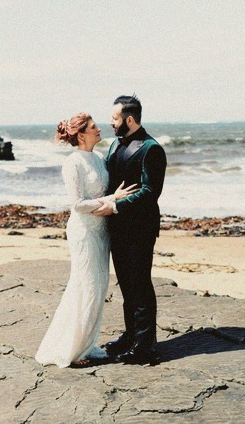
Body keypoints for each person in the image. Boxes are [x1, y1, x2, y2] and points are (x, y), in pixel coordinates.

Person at [35, 113, 138, 368]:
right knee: (85, 285)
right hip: (83, 232)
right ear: (81, 134)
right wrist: (111, 199)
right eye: (94, 127)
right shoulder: (73, 163)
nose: (99, 129)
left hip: (102, 230)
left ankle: (87, 343)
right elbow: (77, 204)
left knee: (98, 287)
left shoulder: (100, 158)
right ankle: (72, 350)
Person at [93, 95, 167, 365]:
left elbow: (150, 192)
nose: (111, 123)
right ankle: (131, 336)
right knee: (126, 284)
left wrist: (115, 207)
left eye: (114, 118)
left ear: (130, 119)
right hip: (118, 228)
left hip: (141, 229)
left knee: (141, 286)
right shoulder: (114, 145)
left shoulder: (151, 149)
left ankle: (145, 347)